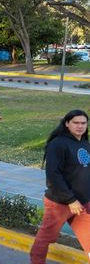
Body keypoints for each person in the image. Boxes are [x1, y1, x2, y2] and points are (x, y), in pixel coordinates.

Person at [30, 110, 90, 263]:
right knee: (45, 238)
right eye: (76, 123)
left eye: (83, 123)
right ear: (67, 124)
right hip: (60, 203)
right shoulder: (58, 144)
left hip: (82, 203)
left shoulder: (84, 142)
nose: (80, 126)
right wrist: (70, 200)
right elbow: (53, 176)